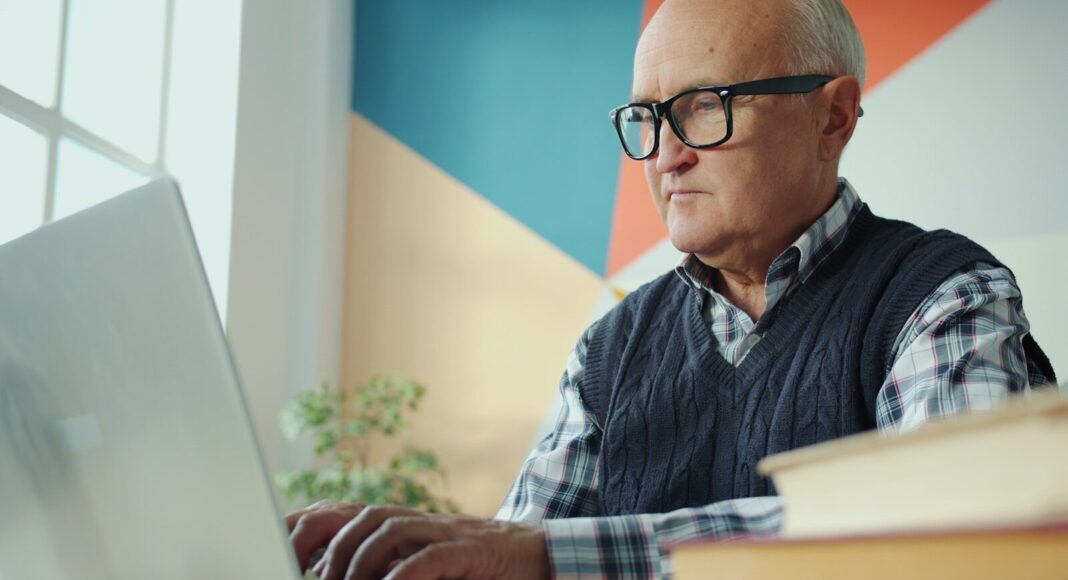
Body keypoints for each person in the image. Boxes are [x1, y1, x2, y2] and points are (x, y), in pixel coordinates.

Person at [285, 0, 1057, 577]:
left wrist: (552, 557)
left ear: (834, 118)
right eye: (648, 118)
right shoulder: (609, 350)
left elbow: (946, 531)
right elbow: (513, 552)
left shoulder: (944, 294)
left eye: (703, 106)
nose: (665, 156)